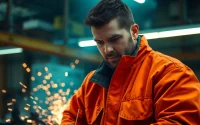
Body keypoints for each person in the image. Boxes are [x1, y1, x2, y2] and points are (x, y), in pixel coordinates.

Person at [61, 0, 200, 124]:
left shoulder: (171, 73)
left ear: (134, 31)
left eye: (114, 39)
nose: (107, 49)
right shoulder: (90, 84)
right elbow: (71, 116)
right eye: (99, 42)